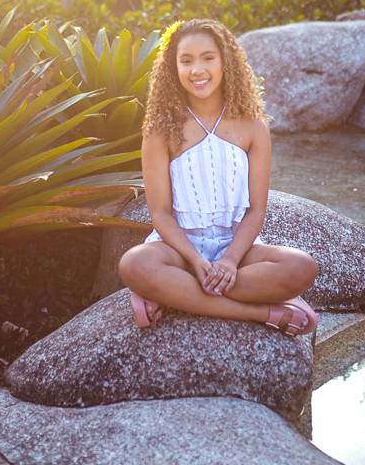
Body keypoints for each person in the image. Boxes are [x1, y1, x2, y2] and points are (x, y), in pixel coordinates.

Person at [118, 18, 319, 336]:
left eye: (207, 58)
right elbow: (160, 213)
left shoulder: (253, 126)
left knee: (302, 267)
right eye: (186, 61)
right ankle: (260, 312)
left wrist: (229, 261)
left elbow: (255, 210)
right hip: (180, 250)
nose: (197, 70)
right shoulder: (160, 130)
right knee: (134, 265)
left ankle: (175, 295)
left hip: (238, 250)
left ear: (226, 61)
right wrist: (195, 260)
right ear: (174, 68)